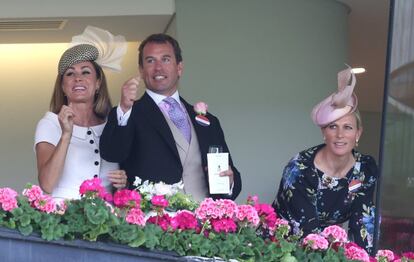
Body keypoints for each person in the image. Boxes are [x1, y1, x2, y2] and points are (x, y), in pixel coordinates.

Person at [100, 33, 242, 201]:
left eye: (165, 59)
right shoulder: (129, 114)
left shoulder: (209, 121)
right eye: (150, 61)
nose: (158, 68)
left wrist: (230, 181)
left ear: (179, 68)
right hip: (153, 221)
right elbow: (112, 153)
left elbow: (230, 174)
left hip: (204, 221)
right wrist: (124, 108)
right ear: (141, 70)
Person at [272, 67, 377, 253]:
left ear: (358, 133)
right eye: (332, 127)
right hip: (282, 245)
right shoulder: (300, 168)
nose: (340, 135)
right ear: (323, 132)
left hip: (325, 248)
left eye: (348, 127)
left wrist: (365, 257)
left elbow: (362, 220)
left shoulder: (365, 169)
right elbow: (307, 232)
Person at [34, 26, 129, 200]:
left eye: (86, 72)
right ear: (63, 86)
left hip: (106, 220)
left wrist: (123, 181)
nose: (78, 78)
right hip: (63, 218)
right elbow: (46, 184)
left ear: (98, 82)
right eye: (70, 74)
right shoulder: (50, 123)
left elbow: (122, 183)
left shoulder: (112, 123)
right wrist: (66, 135)